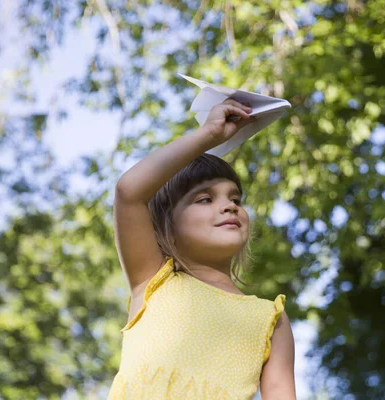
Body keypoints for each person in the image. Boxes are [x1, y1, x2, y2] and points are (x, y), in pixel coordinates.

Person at [107, 98, 296, 399]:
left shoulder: (271, 319)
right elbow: (128, 192)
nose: (229, 207)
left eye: (235, 199)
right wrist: (209, 135)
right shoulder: (154, 280)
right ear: (168, 225)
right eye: (205, 199)